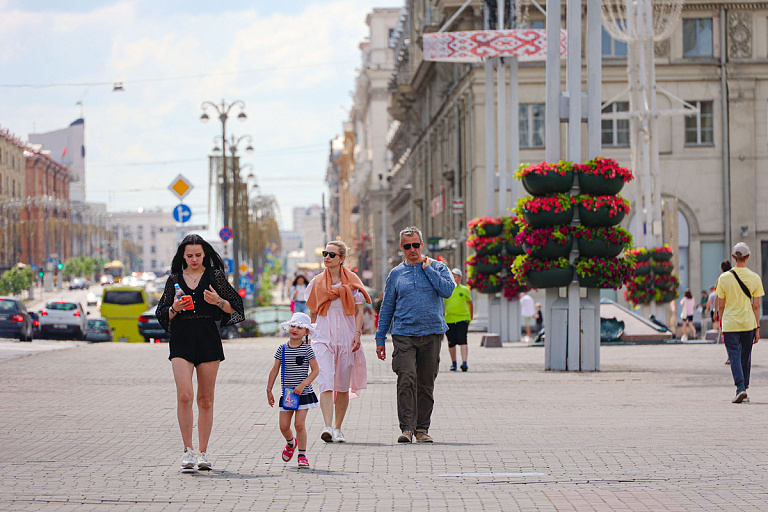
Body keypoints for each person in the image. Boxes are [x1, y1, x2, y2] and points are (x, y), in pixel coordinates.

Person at [156, 234, 244, 471]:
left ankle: (203, 452)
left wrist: (218, 301)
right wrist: (175, 307)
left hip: (207, 338)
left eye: (198, 255)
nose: (194, 259)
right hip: (181, 339)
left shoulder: (215, 277)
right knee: (185, 395)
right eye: (189, 256)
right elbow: (162, 313)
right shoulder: (174, 279)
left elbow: (235, 309)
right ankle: (188, 451)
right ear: (182, 257)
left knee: (205, 399)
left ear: (204, 254)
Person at [375, 226, 455, 444]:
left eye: (416, 245)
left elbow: (448, 291)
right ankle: (407, 428)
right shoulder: (396, 274)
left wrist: (427, 270)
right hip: (404, 334)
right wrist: (380, 338)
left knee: (426, 383)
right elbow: (387, 308)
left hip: (432, 333)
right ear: (402, 247)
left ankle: (422, 429)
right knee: (406, 379)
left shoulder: (438, 267)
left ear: (422, 244)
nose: (412, 249)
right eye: (407, 246)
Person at [305, 239, 371, 444]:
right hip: (323, 336)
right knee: (325, 379)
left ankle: (338, 428)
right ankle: (327, 426)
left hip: (346, 336)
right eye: (325, 253)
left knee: (342, 384)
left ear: (341, 259)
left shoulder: (352, 282)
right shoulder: (316, 282)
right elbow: (313, 310)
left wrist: (357, 334)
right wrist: (308, 334)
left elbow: (359, 311)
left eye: (332, 254)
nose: (327, 257)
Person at [266, 312, 320, 468]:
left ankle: (302, 455)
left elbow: (315, 370)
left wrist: (303, 384)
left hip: (304, 394)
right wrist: (269, 389)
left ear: (306, 332)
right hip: (288, 394)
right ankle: (291, 442)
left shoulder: (307, 349)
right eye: (293, 326)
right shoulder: (282, 349)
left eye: (300, 327)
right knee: (284, 426)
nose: (295, 330)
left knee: (299, 425)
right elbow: (275, 369)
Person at [716, 242, 764, 404]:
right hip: (748, 323)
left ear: (733, 257)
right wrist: (757, 328)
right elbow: (756, 306)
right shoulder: (755, 278)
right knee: (745, 356)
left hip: (730, 323)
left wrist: (722, 322)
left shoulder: (723, 278)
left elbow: (721, 305)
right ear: (748, 257)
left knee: (734, 355)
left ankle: (740, 387)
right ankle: (744, 388)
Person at [444, 267, 473, 372]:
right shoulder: (446, 290)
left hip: (462, 318)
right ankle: (454, 363)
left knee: (463, 340)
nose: (453, 278)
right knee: (451, 342)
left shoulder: (465, 290)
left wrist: (470, 316)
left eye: (455, 276)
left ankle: (464, 363)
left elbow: (470, 303)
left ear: (460, 278)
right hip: (449, 319)